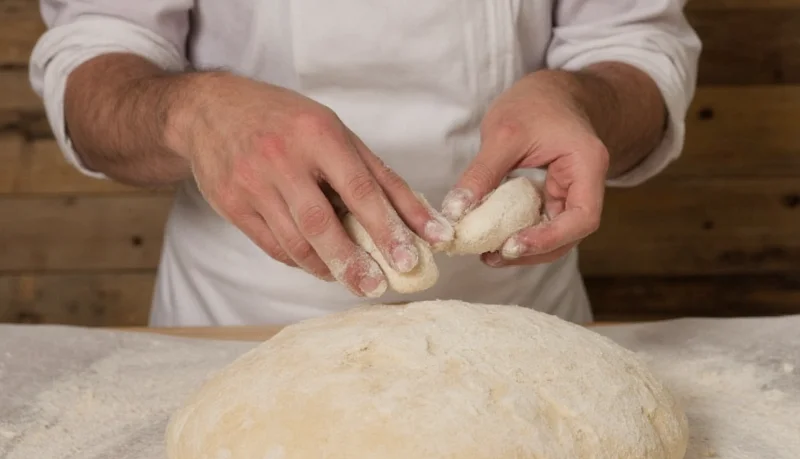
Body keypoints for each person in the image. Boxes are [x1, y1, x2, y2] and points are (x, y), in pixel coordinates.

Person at [29, 1, 701, 327]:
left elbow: (634, 41)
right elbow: (99, 63)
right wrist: (193, 111)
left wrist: (580, 98)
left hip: (521, 319)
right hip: (236, 323)